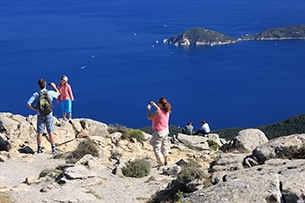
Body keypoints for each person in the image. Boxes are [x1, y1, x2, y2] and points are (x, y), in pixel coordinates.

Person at [26, 78, 60, 154]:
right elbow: (58, 94)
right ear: (45, 85)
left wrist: (35, 109)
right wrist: (54, 86)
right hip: (49, 114)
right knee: (50, 131)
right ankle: (53, 148)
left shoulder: (36, 94)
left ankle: (39, 149)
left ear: (39, 85)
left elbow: (28, 103)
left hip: (40, 114)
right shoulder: (50, 93)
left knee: (40, 132)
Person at [147, 97, 171, 166]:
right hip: (166, 131)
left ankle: (160, 164)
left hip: (158, 132)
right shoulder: (167, 111)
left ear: (160, 103)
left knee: (157, 149)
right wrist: (155, 105)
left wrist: (148, 109)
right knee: (164, 147)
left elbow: (149, 117)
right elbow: (160, 110)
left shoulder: (158, 112)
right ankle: (166, 161)